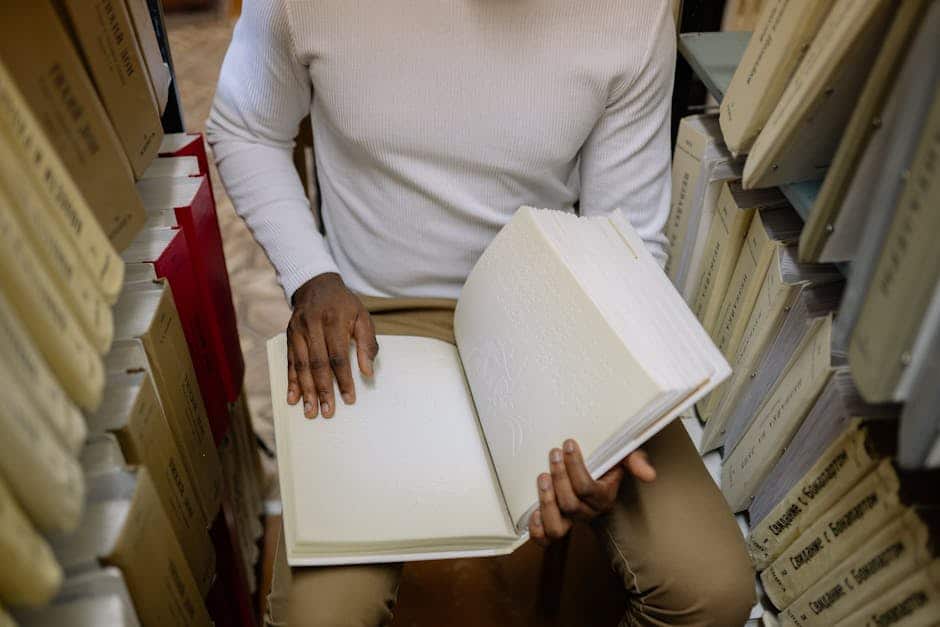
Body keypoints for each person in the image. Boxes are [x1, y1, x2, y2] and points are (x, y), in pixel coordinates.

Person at [207, 1, 755, 625]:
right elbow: (245, 126)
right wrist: (312, 277)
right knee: (319, 619)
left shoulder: (632, 9)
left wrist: (613, 413)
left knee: (712, 593)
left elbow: (623, 231)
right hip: (376, 317)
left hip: (555, 314)